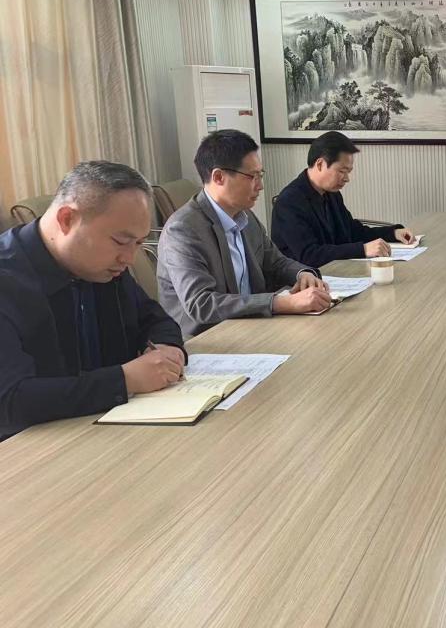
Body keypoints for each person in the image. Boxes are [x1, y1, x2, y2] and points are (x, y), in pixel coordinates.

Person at [0, 161, 186, 439]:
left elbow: (156, 319)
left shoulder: (103, 266)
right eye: (120, 241)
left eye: (138, 243)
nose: (129, 258)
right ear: (67, 219)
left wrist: (165, 350)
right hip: (36, 449)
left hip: (111, 429)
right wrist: (125, 380)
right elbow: (10, 401)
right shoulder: (8, 280)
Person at [157, 129, 332, 337]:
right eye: (252, 176)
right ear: (219, 177)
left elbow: (275, 261)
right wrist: (281, 303)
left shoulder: (245, 216)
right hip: (208, 339)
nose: (260, 186)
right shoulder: (183, 230)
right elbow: (201, 304)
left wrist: (303, 274)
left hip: (252, 327)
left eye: (260, 175)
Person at [271, 131, 416, 266]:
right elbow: (309, 255)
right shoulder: (289, 202)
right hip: (303, 280)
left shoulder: (331, 193)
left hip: (336, 271)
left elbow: (352, 231)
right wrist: (363, 249)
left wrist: (392, 233)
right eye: (342, 171)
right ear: (320, 164)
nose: (347, 179)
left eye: (348, 172)